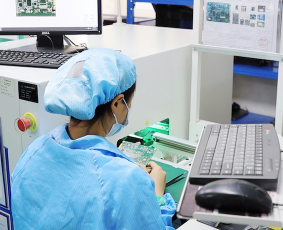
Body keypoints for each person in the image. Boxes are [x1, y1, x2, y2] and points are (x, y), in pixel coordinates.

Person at [11, 48, 176, 229]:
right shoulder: (127, 180)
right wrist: (157, 196)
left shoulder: (34, 151)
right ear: (117, 103)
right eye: (129, 102)